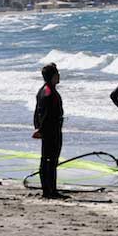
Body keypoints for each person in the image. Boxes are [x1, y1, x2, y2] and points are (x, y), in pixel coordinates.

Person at [33, 63, 65, 199]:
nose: (59, 76)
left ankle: (50, 189)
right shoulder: (48, 92)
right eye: (57, 73)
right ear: (52, 76)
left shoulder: (44, 90)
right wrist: (40, 129)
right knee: (49, 160)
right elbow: (43, 113)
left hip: (50, 129)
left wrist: (37, 126)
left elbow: (36, 112)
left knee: (49, 160)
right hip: (51, 130)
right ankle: (49, 190)